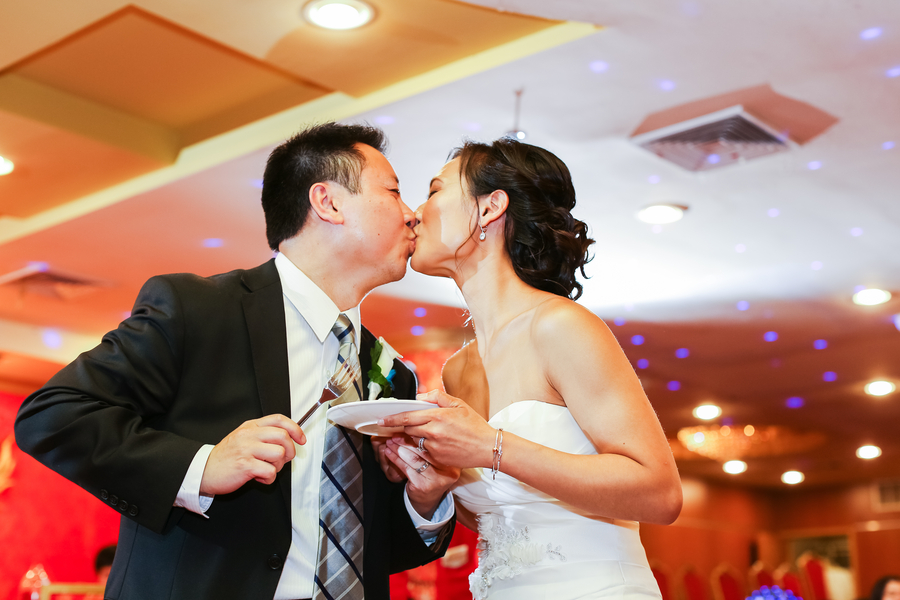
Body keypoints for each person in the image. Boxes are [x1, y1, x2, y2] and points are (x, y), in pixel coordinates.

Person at [15, 123, 458, 600]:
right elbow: (51, 414)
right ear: (327, 202)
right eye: (393, 192)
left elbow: (367, 552)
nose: (411, 215)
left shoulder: (390, 372)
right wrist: (202, 467)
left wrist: (424, 499)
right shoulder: (198, 310)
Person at [377, 138, 683, 600]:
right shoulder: (459, 370)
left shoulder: (560, 327)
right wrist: (433, 483)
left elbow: (661, 494)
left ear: (490, 208)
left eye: (434, 190)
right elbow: (503, 519)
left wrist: (489, 446)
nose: (416, 212)